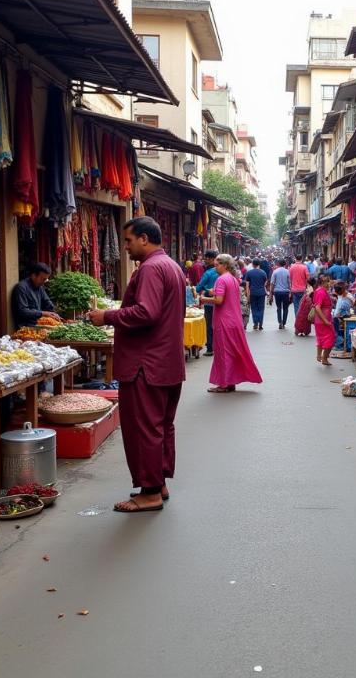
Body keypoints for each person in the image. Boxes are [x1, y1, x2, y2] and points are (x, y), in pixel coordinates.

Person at [87, 217, 185, 513]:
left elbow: (146, 312)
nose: (125, 247)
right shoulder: (171, 266)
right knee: (161, 426)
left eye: (128, 241)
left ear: (144, 238)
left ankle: (150, 492)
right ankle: (159, 482)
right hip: (165, 361)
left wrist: (107, 316)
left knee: (145, 429)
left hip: (147, 363)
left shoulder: (152, 268)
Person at [199, 254, 262, 392]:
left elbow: (219, 300)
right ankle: (230, 382)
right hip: (234, 320)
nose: (215, 267)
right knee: (232, 353)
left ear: (225, 265)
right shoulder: (233, 279)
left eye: (217, 265)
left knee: (223, 353)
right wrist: (213, 292)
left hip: (224, 322)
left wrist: (204, 299)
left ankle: (224, 384)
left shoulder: (221, 279)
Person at [11, 263, 60, 329]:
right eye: (43, 279)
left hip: (38, 324)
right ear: (33, 276)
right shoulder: (21, 288)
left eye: (46, 279)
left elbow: (47, 302)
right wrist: (43, 313)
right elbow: (23, 311)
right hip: (26, 327)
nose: (44, 282)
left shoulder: (39, 287)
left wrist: (54, 313)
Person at [195, 249, 218, 356]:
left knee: (209, 326)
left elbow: (199, 287)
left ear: (213, 259)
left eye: (207, 258)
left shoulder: (208, 273)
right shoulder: (223, 272)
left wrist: (204, 288)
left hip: (209, 303)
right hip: (221, 303)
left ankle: (210, 348)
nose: (206, 260)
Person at [312, 273, 335, 366]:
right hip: (323, 319)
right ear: (323, 282)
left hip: (321, 319)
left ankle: (320, 356)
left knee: (322, 337)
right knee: (330, 337)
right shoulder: (321, 292)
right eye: (328, 282)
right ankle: (324, 358)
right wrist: (325, 320)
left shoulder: (321, 290)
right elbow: (318, 307)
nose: (330, 283)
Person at [244, 258, 268, 331]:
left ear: (253, 264)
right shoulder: (263, 272)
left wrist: (248, 294)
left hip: (253, 292)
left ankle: (255, 323)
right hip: (261, 293)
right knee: (261, 308)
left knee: (254, 308)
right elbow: (265, 283)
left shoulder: (249, 273)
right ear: (259, 264)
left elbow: (247, 285)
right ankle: (260, 323)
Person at [269, 258, 291, 329]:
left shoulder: (275, 272)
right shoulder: (287, 272)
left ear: (278, 264)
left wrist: (271, 294)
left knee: (279, 308)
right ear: (285, 264)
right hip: (285, 292)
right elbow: (289, 283)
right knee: (285, 308)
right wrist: (290, 292)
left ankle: (280, 322)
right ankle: (284, 323)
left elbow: (272, 283)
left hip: (277, 292)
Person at [332, 281, 353, 351]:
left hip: (344, 316)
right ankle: (339, 343)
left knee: (334, 329)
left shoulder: (347, 298)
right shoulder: (342, 296)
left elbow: (338, 311)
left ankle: (340, 343)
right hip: (341, 316)